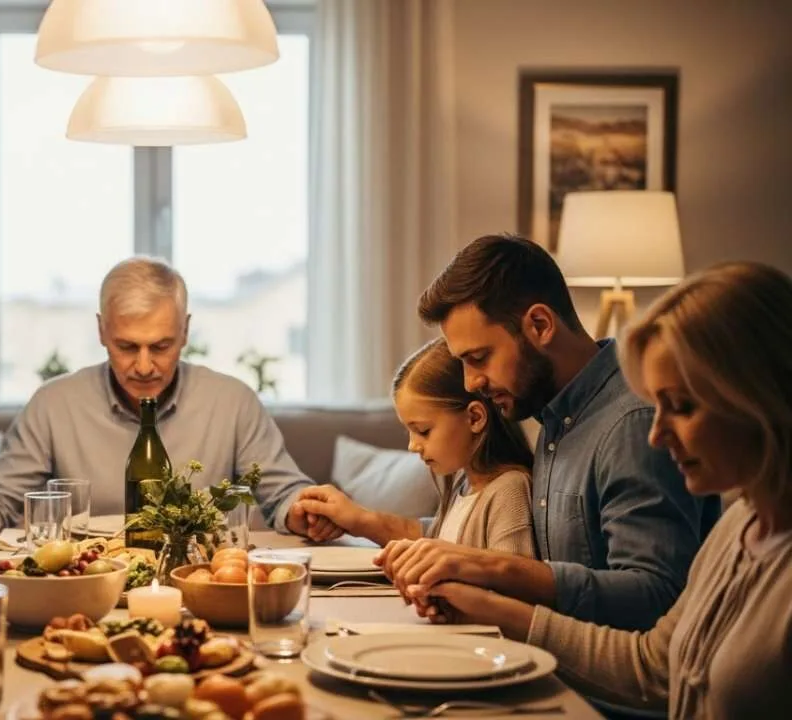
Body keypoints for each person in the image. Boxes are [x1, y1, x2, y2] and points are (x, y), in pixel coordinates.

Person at [407, 262, 792, 719]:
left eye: (682, 406)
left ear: (758, 397)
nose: (657, 433)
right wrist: (490, 609)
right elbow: (654, 665)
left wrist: (498, 575)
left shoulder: (627, 424)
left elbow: (651, 599)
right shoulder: (739, 528)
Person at [377, 234, 719, 632]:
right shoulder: (554, 419)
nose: (471, 382)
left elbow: (655, 597)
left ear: (540, 325)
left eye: (479, 357)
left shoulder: (632, 424)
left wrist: (494, 568)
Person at [0, 256, 323, 541]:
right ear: (102, 331)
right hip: (85, 585)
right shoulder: (54, 404)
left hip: (202, 580)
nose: (144, 367)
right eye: (126, 346)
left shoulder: (233, 401)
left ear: (186, 331)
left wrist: (304, 512)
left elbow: (282, 493)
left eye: (160, 346)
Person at [295, 337, 536, 556]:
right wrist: (357, 520)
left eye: (423, 431)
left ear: (474, 418)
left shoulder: (509, 491)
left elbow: (512, 582)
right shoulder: (464, 485)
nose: (412, 446)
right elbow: (441, 544)